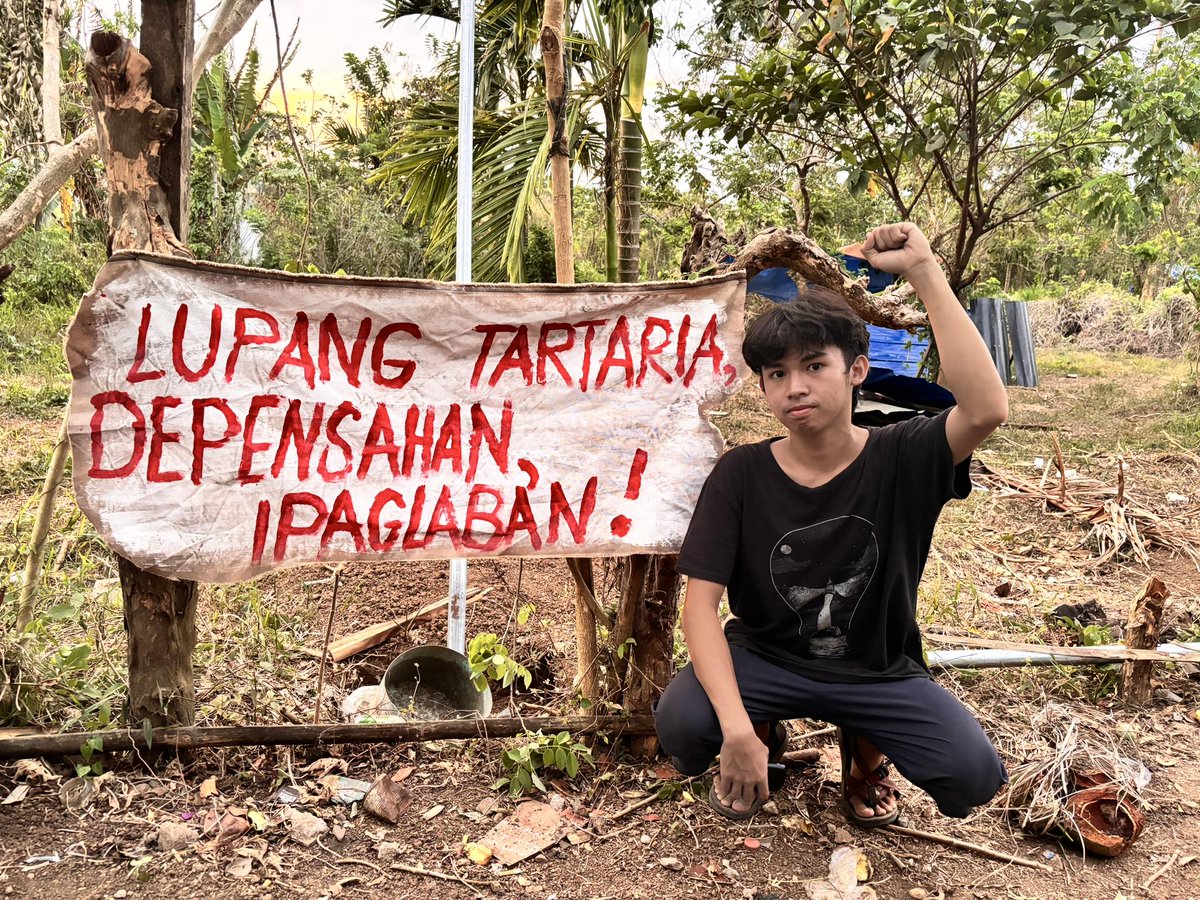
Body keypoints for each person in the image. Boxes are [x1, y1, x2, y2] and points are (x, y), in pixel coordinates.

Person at [653, 223, 1010, 826]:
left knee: (973, 776)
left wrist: (924, 271)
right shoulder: (741, 474)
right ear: (763, 386)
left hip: (875, 668)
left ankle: (864, 756)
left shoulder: (904, 456)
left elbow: (986, 409)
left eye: (815, 366)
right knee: (684, 725)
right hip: (765, 660)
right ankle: (763, 733)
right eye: (776, 375)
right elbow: (700, 609)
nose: (796, 387)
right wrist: (736, 734)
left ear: (857, 371)